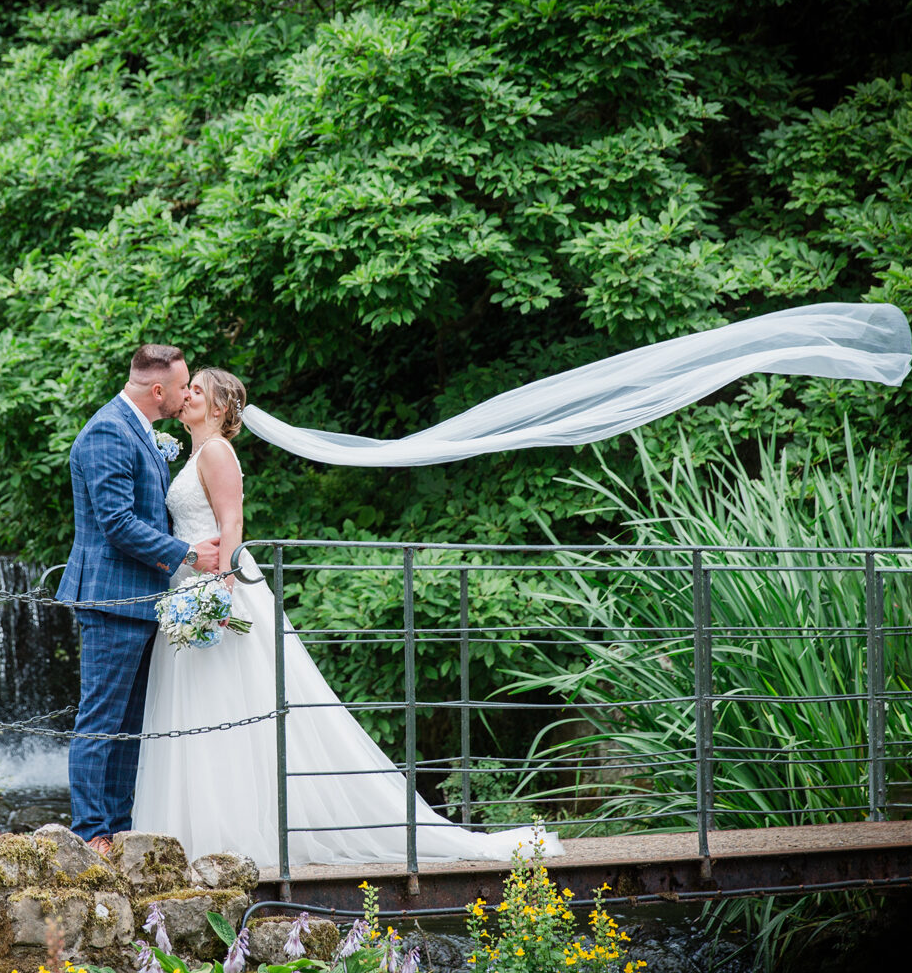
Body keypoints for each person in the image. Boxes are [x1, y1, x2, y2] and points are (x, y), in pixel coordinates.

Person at [132, 368, 562, 866]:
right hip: (190, 589)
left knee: (230, 712)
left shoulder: (217, 453)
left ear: (221, 407)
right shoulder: (193, 454)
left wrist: (222, 591)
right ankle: (198, 834)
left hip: (218, 591)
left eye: (198, 391)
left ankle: (234, 839)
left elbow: (233, 524)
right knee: (204, 711)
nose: (187, 397)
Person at [57, 345, 220, 857]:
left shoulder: (137, 428)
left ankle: (118, 827)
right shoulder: (109, 430)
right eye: (182, 385)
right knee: (102, 720)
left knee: (129, 725)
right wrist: (188, 554)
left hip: (141, 597)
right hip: (112, 598)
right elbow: (118, 523)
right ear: (158, 390)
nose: (186, 393)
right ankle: (90, 834)